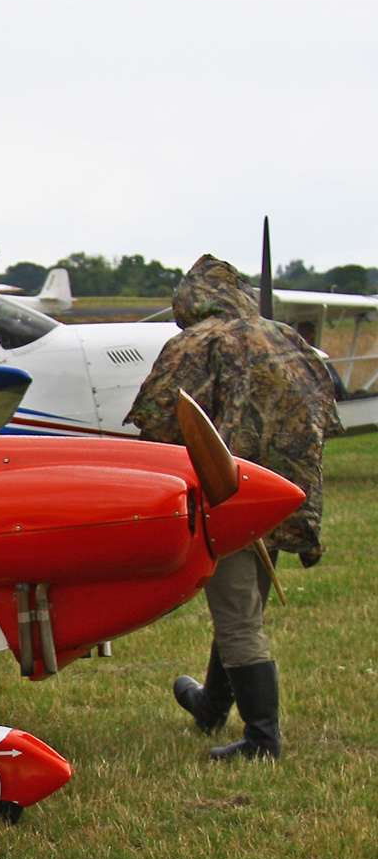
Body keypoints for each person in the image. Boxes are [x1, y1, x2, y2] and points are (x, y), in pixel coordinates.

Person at [126, 256, 341, 760]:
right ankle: (210, 706)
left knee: (240, 622)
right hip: (283, 494)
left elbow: (158, 424)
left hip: (229, 497)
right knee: (242, 608)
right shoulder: (290, 339)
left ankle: (262, 739)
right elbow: (324, 417)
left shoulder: (195, 343)